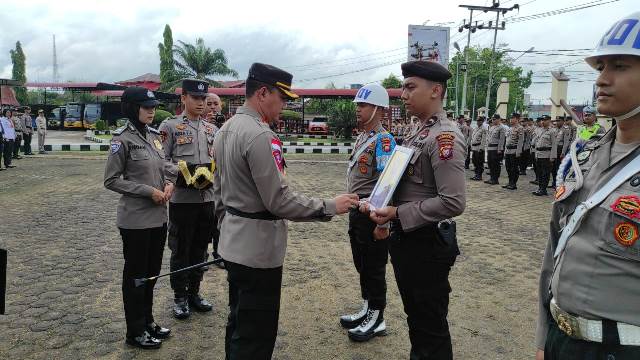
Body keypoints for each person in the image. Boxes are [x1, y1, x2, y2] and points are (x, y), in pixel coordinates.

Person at [212, 63, 359, 359]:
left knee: (238, 323)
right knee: (255, 335)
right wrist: (329, 206)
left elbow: (218, 194)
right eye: (282, 98)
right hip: (259, 252)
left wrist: (225, 232)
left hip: (233, 243)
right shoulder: (260, 136)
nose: (285, 105)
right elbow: (278, 201)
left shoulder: (225, 129)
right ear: (263, 93)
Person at [536, 11, 640, 360]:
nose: (602, 80)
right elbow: (555, 248)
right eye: (601, 68)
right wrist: (543, 336)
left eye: (620, 67)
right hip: (561, 339)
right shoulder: (587, 156)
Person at [362, 60, 466, 360]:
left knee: (429, 325)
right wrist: (383, 209)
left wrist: (396, 214)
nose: (403, 95)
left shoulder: (443, 137)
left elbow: (453, 202)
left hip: (427, 244)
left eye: (410, 87)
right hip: (409, 239)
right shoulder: (419, 132)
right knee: (418, 321)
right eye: (403, 88)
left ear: (435, 91)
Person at [103, 87, 174, 349]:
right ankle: (134, 331)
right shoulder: (121, 140)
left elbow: (164, 166)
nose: (152, 110)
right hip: (135, 221)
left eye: (153, 106)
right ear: (132, 108)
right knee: (136, 276)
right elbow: (111, 180)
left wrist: (169, 183)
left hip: (158, 218)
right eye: (146, 107)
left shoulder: (154, 137)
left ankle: (148, 321)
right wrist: (148, 191)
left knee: (153, 274)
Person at [340, 83, 396, 342]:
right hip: (357, 210)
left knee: (374, 266)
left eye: (363, 105)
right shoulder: (363, 137)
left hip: (372, 214)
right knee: (361, 263)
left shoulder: (384, 140)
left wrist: (382, 223)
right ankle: (367, 306)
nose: (358, 110)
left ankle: (378, 317)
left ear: (378, 109)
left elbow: (388, 183)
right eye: (358, 105)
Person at [159, 79, 217, 319]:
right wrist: (183, 176)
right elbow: (161, 159)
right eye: (196, 98)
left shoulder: (211, 130)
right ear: (184, 98)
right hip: (183, 201)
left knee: (201, 249)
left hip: (207, 200)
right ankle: (180, 297)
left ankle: (194, 292)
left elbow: (219, 161)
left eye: (204, 99)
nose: (201, 103)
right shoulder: (170, 126)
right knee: (181, 249)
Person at [532, 115, 557, 196]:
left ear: (549, 121)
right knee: (539, 172)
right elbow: (536, 143)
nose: (543, 121)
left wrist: (552, 156)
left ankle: (543, 189)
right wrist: (536, 154)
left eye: (545, 120)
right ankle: (540, 188)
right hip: (539, 154)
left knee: (545, 173)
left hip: (547, 155)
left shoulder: (552, 131)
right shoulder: (539, 130)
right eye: (542, 120)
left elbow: (554, 144)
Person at [503, 112, 525, 190]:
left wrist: (518, 152)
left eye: (513, 118)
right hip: (508, 150)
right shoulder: (510, 128)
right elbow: (507, 140)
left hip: (514, 150)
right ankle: (509, 182)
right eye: (511, 118)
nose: (511, 119)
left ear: (517, 119)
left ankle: (513, 183)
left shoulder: (520, 128)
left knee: (514, 168)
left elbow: (520, 141)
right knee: (508, 167)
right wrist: (505, 151)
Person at [485, 113, 506, 185]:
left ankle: (495, 179)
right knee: (490, 164)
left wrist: (500, 149)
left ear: (498, 119)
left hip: (496, 148)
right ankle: (491, 178)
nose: (493, 121)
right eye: (492, 119)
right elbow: (489, 138)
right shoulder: (492, 127)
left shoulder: (501, 128)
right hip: (490, 148)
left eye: (494, 119)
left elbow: (502, 139)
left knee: (495, 164)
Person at [470, 116, 487, 181]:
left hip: (479, 147)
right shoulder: (476, 128)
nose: (477, 122)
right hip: (474, 147)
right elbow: (473, 138)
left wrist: (481, 148)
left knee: (479, 162)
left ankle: (479, 175)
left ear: (482, 121)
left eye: (479, 121)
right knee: (475, 162)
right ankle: (476, 174)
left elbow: (483, 139)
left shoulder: (484, 129)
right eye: (477, 121)